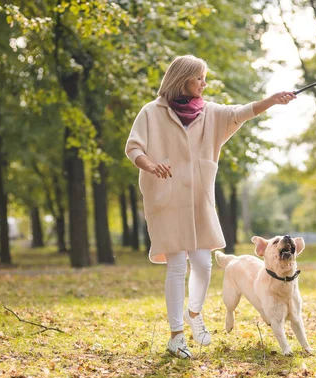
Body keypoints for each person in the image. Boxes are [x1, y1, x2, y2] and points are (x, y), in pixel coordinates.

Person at [125, 55, 296, 359]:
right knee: (177, 266)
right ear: (182, 79)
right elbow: (134, 146)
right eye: (200, 78)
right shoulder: (151, 112)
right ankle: (176, 335)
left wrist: (271, 100)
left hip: (198, 199)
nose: (204, 84)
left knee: (203, 263)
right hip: (165, 197)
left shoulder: (210, 112)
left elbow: (240, 113)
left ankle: (194, 313)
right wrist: (150, 165)